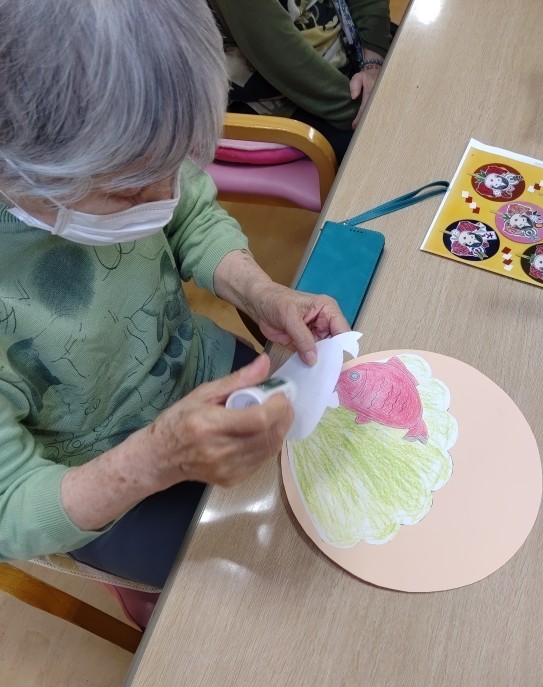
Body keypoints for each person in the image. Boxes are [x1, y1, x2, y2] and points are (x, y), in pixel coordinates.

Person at [0, 0, 349, 590]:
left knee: (328, 493)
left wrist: (261, 292)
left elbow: (189, 215)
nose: (166, 193)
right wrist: (155, 459)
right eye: (129, 191)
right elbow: (12, 508)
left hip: (198, 367)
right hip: (97, 490)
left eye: (176, 162)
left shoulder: (119, 132)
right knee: (238, 594)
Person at [209, 0, 393, 162]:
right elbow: (278, 52)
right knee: (390, 147)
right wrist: (367, 112)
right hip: (290, 92)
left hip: (348, 37)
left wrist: (374, 62)